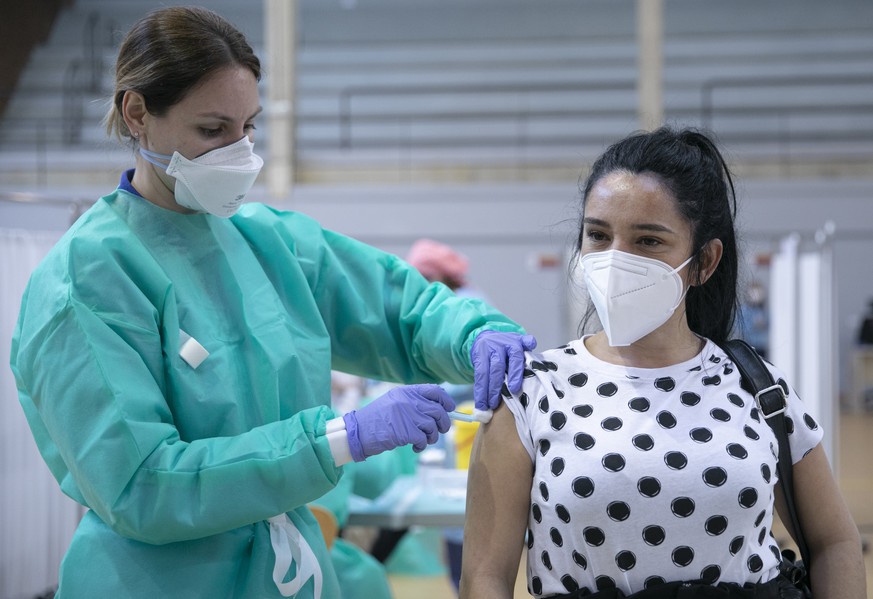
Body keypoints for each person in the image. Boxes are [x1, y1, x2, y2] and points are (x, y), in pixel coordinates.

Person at [8, 7, 536, 598]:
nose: (240, 153)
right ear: (137, 113)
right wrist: (338, 438)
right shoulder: (87, 279)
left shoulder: (270, 243)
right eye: (212, 130)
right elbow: (144, 485)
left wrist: (477, 333)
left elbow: (397, 307)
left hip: (288, 574)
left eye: (248, 127)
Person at [460, 127, 866, 598]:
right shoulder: (533, 392)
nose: (616, 260)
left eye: (648, 241)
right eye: (598, 234)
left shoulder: (758, 387)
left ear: (704, 262)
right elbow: (484, 575)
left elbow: (834, 540)